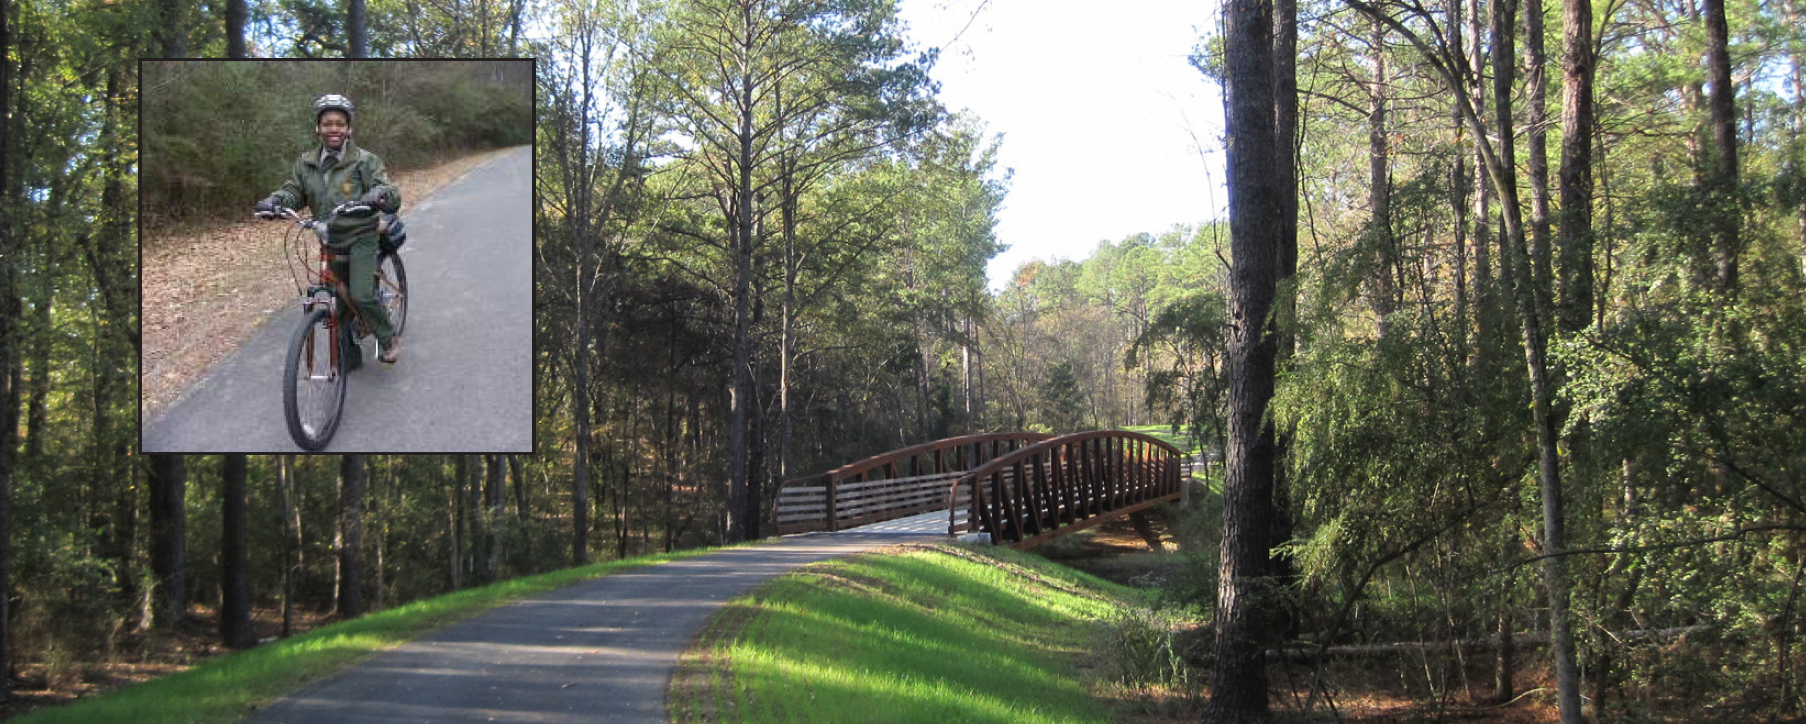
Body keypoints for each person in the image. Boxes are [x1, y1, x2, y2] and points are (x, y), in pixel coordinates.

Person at [257, 93, 404, 366]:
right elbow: (295, 191)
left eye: (339, 123)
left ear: (348, 128)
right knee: (337, 297)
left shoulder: (365, 160)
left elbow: (385, 188)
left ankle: (388, 338)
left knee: (360, 294)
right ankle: (348, 357)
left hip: (361, 235)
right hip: (329, 238)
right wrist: (277, 200)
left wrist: (377, 196)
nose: (333, 128)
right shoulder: (305, 162)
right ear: (318, 128)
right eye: (327, 123)